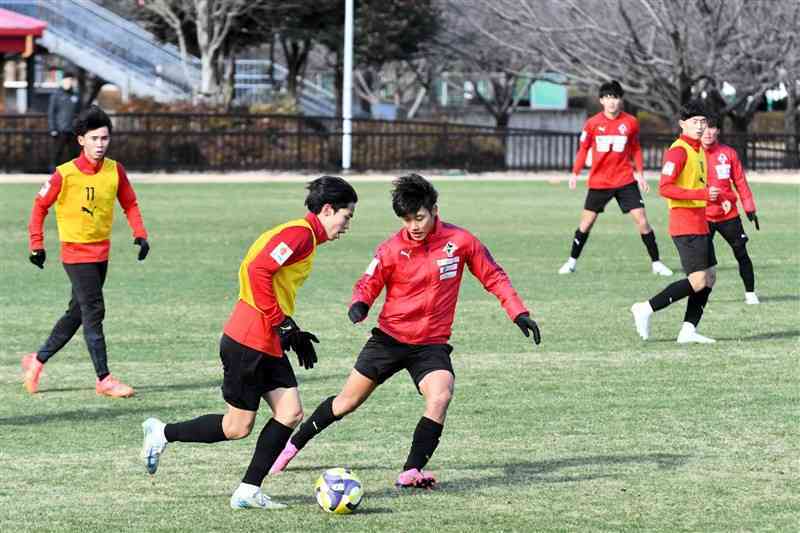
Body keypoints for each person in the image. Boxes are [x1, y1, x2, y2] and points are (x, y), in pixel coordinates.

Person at [268, 174, 541, 489]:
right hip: (389, 340)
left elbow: (493, 276)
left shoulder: (461, 242)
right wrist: (360, 303)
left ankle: (411, 471)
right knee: (346, 402)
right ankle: (291, 447)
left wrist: (518, 312)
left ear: (434, 209)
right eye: (407, 219)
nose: (414, 225)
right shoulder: (392, 248)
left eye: (420, 217)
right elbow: (368, 281)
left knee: (441, 395)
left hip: (431, 345)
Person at [139, 176, 358, 510]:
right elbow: (257, 270)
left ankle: (248, 490)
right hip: (249, 340)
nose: (347, 225)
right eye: (347, 216)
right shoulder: (300, 234)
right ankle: (162, 432)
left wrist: (287, 329)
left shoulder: (306, 236)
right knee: (236, 427)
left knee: (290, 412)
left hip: (266, 338)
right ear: (328, 210)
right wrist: (283, 323)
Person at [23, 105, 149, 397]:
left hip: (101, 254)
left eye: (104, 138)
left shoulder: (115, 170)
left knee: (76, 313)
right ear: (81, 140)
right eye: (94, 139)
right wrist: (36, 244)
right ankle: (104, 379)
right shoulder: (64, 174)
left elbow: (130, 203)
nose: (100, 144)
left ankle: (37, 360)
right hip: (75, 254)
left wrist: (140, 234)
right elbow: (39, 206)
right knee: (94, 310)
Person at [630, 100, 737, 343]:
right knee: (698, 280)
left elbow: (699, 185)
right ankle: (645, 308)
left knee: (709, 277)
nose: (700, 127)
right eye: (695, 122)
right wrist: (702, 195)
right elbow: (665, 188)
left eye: (703, 122)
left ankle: (688, 331)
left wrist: (721, 198)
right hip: (684, 223)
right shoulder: (678, 150)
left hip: (700, 221)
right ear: (682, 124)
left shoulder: (698, 149)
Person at [559, 80, 673, 277]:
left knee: (642, 220)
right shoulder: (592, 124)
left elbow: (635, 149)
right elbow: (583, 149)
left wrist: (641, 175)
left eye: (616, 98)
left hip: (625, 180)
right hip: (599, 182)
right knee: (586, 224)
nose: (612, 102)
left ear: (621, 100)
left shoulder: (630, 122)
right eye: (608, 98)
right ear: (602, 100)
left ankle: (657, 263)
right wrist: (575, 173)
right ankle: (571, 263)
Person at [701, 113, 760, 305]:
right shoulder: (692, 155)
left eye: (712, 127)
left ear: (718, 130)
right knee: (701, 258)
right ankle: (699, 295)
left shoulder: (729, 153)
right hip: (703, 215)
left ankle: (750, 293)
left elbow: (740, 182)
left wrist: (749, 207)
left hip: (729, 215)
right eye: (705, 127)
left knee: (741, 252)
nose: (708, 132)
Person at [48, 71, 81, 171]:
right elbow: (51, 113)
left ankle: (74, 173)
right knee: (57, 153)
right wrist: (53, 128)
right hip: (60, 129)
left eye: (71, 80)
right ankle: (54, 173)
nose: (69, 82)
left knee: (74, 153)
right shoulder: (56, 95)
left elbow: (80, 113)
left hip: (73, 130)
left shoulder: (76, 95)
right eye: (67, 80)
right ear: (62, 81)